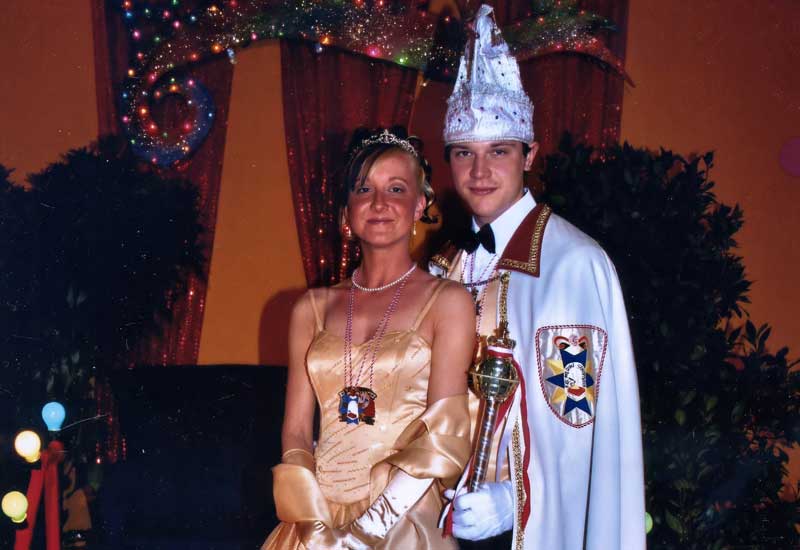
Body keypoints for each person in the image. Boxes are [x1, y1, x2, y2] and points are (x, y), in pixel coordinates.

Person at [429, 5, 646, 549]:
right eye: (464, 153)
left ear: (530, 155)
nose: (480, 172)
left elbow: (578, 421)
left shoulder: (570, 265)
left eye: (499, 152)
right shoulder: (443, 266)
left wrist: (514, 500)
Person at [263, 128, 477, 549]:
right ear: (347, 211)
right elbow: (296, 433)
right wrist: (313, 525)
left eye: (396, 189)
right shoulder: (311, 308)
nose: (379, 203)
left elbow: (445, 434)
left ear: (419, 205)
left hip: (402, 519)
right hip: (317, 522)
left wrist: (366, 533)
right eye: (364, 189)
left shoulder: (448, 301)